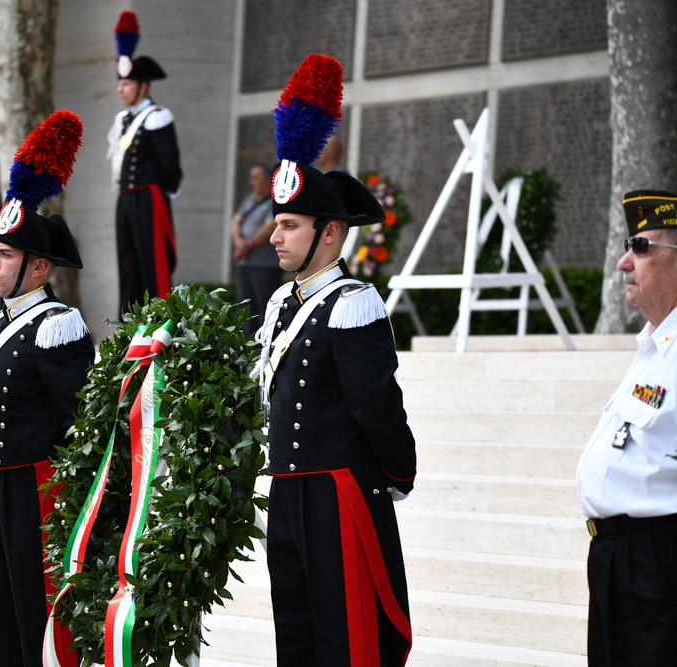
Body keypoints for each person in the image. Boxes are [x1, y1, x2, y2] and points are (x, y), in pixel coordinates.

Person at [255, 54, 416, 666]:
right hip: (288, 494)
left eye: (290, 225)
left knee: (348, 642)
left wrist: (396, 476)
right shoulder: (279, 303)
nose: (275, 236)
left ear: (328, 233)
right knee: (295, 638)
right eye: (276, 223)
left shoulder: (352, 303)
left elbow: (377, 403)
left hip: (339, 490)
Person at [0, 110, 93, 667]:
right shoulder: (1, 324)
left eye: (6, 255)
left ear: (39, 267)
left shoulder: (57, 325)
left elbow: (83, 421)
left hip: (38, 489)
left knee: (38, 616)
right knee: (0, 609)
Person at [576, 189, 677, 667]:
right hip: (619, 562)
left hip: (657, 561)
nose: (623, 262)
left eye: (640, 247)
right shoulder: (655, 346)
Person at [108, 10, 182, 315]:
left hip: (149, 198)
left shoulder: (158, 116)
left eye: (126, 84)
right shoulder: (123, 119)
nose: (119, 89)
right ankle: (127, 329)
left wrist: (161, 191)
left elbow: (170, 166)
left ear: (143, 86)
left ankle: (157, 328)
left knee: (153, 267)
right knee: (127, 266)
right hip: (125, 199)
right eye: (120, 83)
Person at [231, 162, 282, 336]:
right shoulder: (249, 199)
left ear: (267, 180)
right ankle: (246, 345)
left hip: (265, 266)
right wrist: (239, 242)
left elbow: (269, 227)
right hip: (246, 263)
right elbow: (236, 221)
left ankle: (263, 347)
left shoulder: (275, 201)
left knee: (264, 308)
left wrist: (248, 245)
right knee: (245, 308)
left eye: (255, 178)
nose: (251, 182)